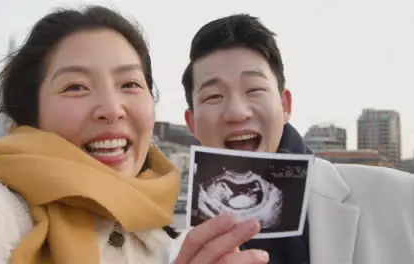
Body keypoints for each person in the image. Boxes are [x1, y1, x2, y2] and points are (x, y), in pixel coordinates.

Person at [172, 14, 414, 264]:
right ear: (192, 124)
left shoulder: (401, 200)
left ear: (285, 105)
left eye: (254, 89)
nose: (237, 112)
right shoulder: (166, 253)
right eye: (213, 96)